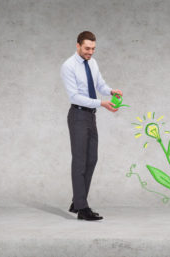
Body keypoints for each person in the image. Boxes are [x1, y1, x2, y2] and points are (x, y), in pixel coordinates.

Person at [60, 31, 122, 221]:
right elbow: (75, 96)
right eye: (87, 48)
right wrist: (101, 103)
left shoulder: (92, 63)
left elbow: (99, 85)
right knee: (79, 162)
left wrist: (111, 91)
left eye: (93, 49)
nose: (90, 52)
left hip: (90, 117)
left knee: (91, 159)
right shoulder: (68, 66)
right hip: (78, 115)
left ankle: (77, 201)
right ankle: (82, 208)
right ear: (77, 45)